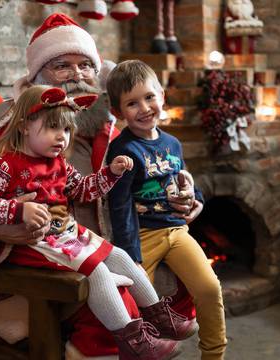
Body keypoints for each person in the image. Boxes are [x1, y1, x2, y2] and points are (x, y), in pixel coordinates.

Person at [0, 13, 202, 355]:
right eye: (61, 65)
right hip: (45, 257)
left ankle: (155, 325)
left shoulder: (116, 127)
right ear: (36, 78)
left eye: (85, 66)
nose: (77, 75)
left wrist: (190, 195)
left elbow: (162, 167)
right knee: (117, 295)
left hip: (112, 245)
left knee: (178, 279)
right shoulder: (4, 134)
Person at [105, 60, 227, 360]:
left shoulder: (172, 143)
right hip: (142, 235)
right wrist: (128, 253)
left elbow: (182, 178)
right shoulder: (123, 149)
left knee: (209, 288)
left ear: (162, 96)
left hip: (175, 231)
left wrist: (194, 196)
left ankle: (214, 353)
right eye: (132, 103)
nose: (144, 108)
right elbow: (118, 204)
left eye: (149, 97)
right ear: (118, 112)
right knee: (133, 306)